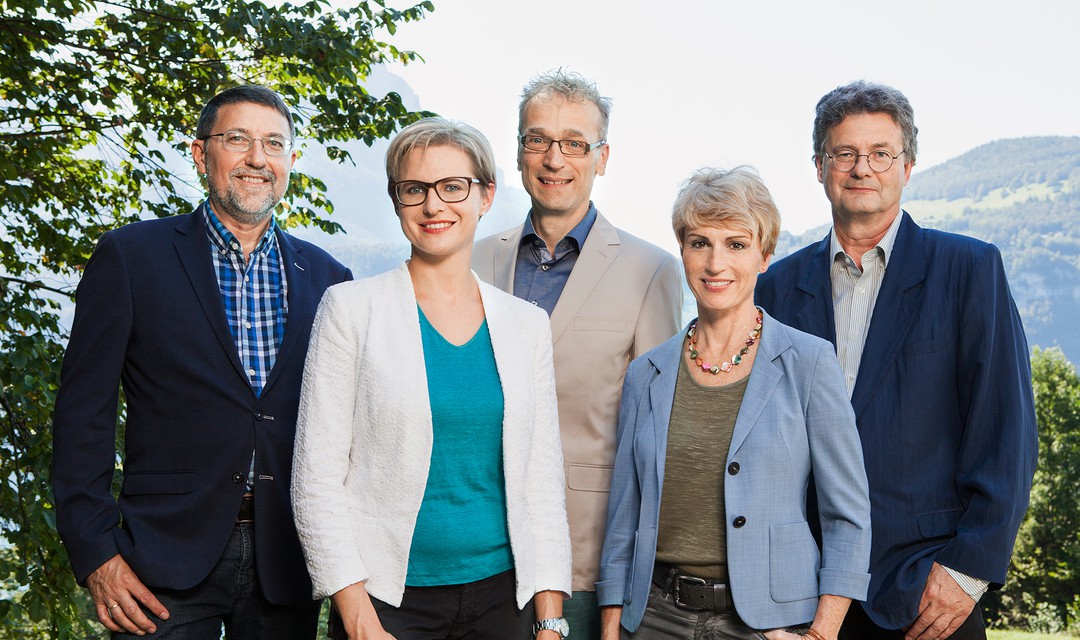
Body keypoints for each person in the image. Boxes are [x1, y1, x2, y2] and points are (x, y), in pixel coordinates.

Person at [51, 85, 352, 638]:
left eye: (273, 144)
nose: (257, 158)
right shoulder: (131, 257)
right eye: (237, 139)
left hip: (287, 557)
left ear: (291, 161)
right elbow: (82, 415)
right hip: (159, 558)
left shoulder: (331, 279)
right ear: (200, 153)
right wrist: (96, 552)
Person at [755, 80, 1038, 640]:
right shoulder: (776, 289)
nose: (863, 168)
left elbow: (1008, 433)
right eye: (845, 153)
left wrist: (968, 570)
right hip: (803, 599)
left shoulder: (969, 270)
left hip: (927, 593)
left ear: (907, 166)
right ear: (819, 166)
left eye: (881, 153)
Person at [291, 117, 572, 640]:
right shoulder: (350, 310)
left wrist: (551, 620)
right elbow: (317, 480)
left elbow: (541, 483)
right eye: (414, 189)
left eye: (452, 187)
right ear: (397, 201)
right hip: (388, 602)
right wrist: (356, 618)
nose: (433, 205)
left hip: (504, 600)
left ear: (485, 195)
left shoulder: (526, 326)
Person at [597, 166, 871, 640]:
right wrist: (609, 630)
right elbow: (623, 523)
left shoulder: (808, 363)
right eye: (699, 242)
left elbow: (848, 518)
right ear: (682, 251)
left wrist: (821, 635)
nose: (715, 263)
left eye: (736, 244)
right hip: (656, 619)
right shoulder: (646, 374)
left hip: (769, 625)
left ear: (765, 255)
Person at [472, 69, 682, 640]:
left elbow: (655, 438)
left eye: (573, 144)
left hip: (583, 558)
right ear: (518, 154)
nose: (553, 158)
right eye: (537, 140)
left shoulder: (650, 270)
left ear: (602, 157)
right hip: (475, 547)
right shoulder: (470, 260)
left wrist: (627, 578)